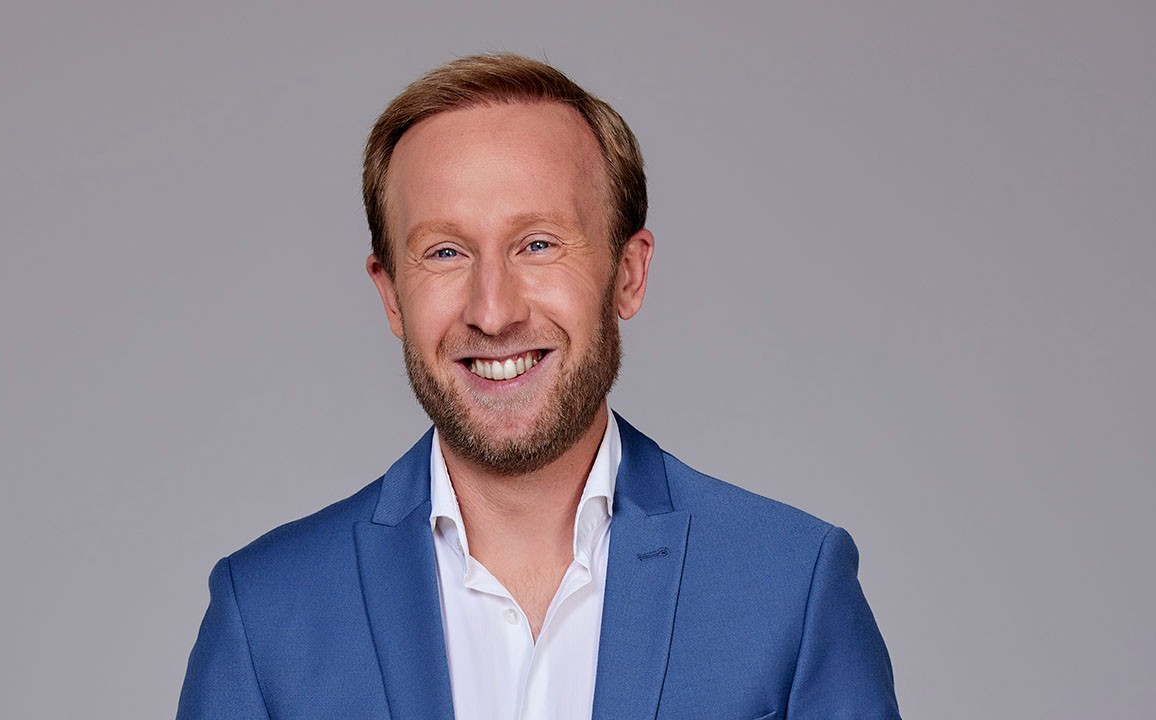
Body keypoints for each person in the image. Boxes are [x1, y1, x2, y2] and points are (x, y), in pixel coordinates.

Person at [177, 53, 900, 720]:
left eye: (538, 244)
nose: (493, 312)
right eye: (445, 252)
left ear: (628, 274)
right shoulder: (264, 614)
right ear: (391, 294)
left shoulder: (791, 589)